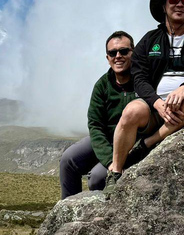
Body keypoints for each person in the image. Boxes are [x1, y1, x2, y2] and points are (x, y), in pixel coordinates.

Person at [104, 0, 184, 195]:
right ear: (164, 6)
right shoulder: (148, 41)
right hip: (156, 108)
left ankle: (148, 143)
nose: (180, 4)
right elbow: (139, 77)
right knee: (131, 111)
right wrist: (157, 103)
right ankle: (116, 172)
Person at [59, 31, 138, 199]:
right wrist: (110, 160)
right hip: (107, 140)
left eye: (124, 51)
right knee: (68, 160)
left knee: (97, 179)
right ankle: (67, 213)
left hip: (132, 141)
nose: (118, 56)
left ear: (133, 52)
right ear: (107, 57)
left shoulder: (143, 81)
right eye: (112, 53)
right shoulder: (102, 85)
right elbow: (95, 125)